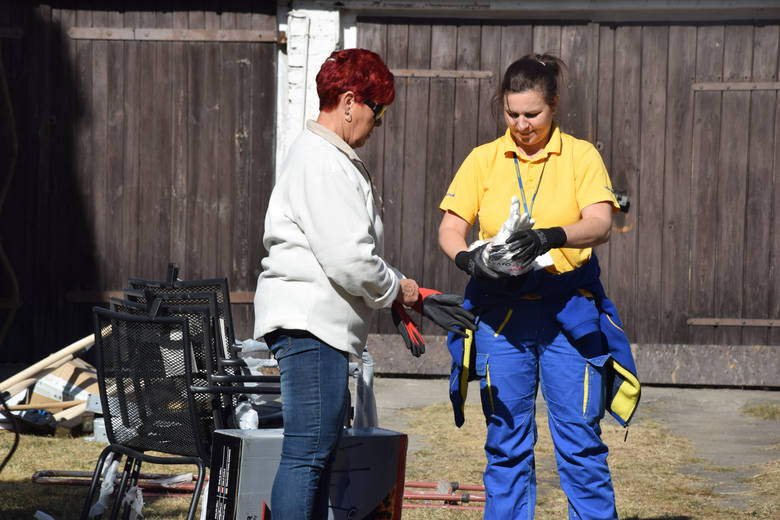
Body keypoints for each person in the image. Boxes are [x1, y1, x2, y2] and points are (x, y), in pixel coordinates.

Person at [254, 48, 475, 520]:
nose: (378, 124)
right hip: (311, 328)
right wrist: (401, 291)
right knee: (307, 455)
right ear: (351, 102)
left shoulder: (326, 157)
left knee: (316, 454)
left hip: (316, 327)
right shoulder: (323, 162)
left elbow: (352, 253)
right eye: (378, 112)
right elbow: (351, 261)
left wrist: (402, 289)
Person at [438, 54, 640, 520]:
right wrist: (467, 258)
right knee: (506, 446)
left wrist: (551, 236)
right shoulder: (482, 159)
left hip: (568, 312)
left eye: (533, 114)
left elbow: (600, 223)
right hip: (501, 319)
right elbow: (450, 228)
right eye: (512, 114)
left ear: (554, 105)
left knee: (581, 445)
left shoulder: (582, 155)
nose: (522, 125)